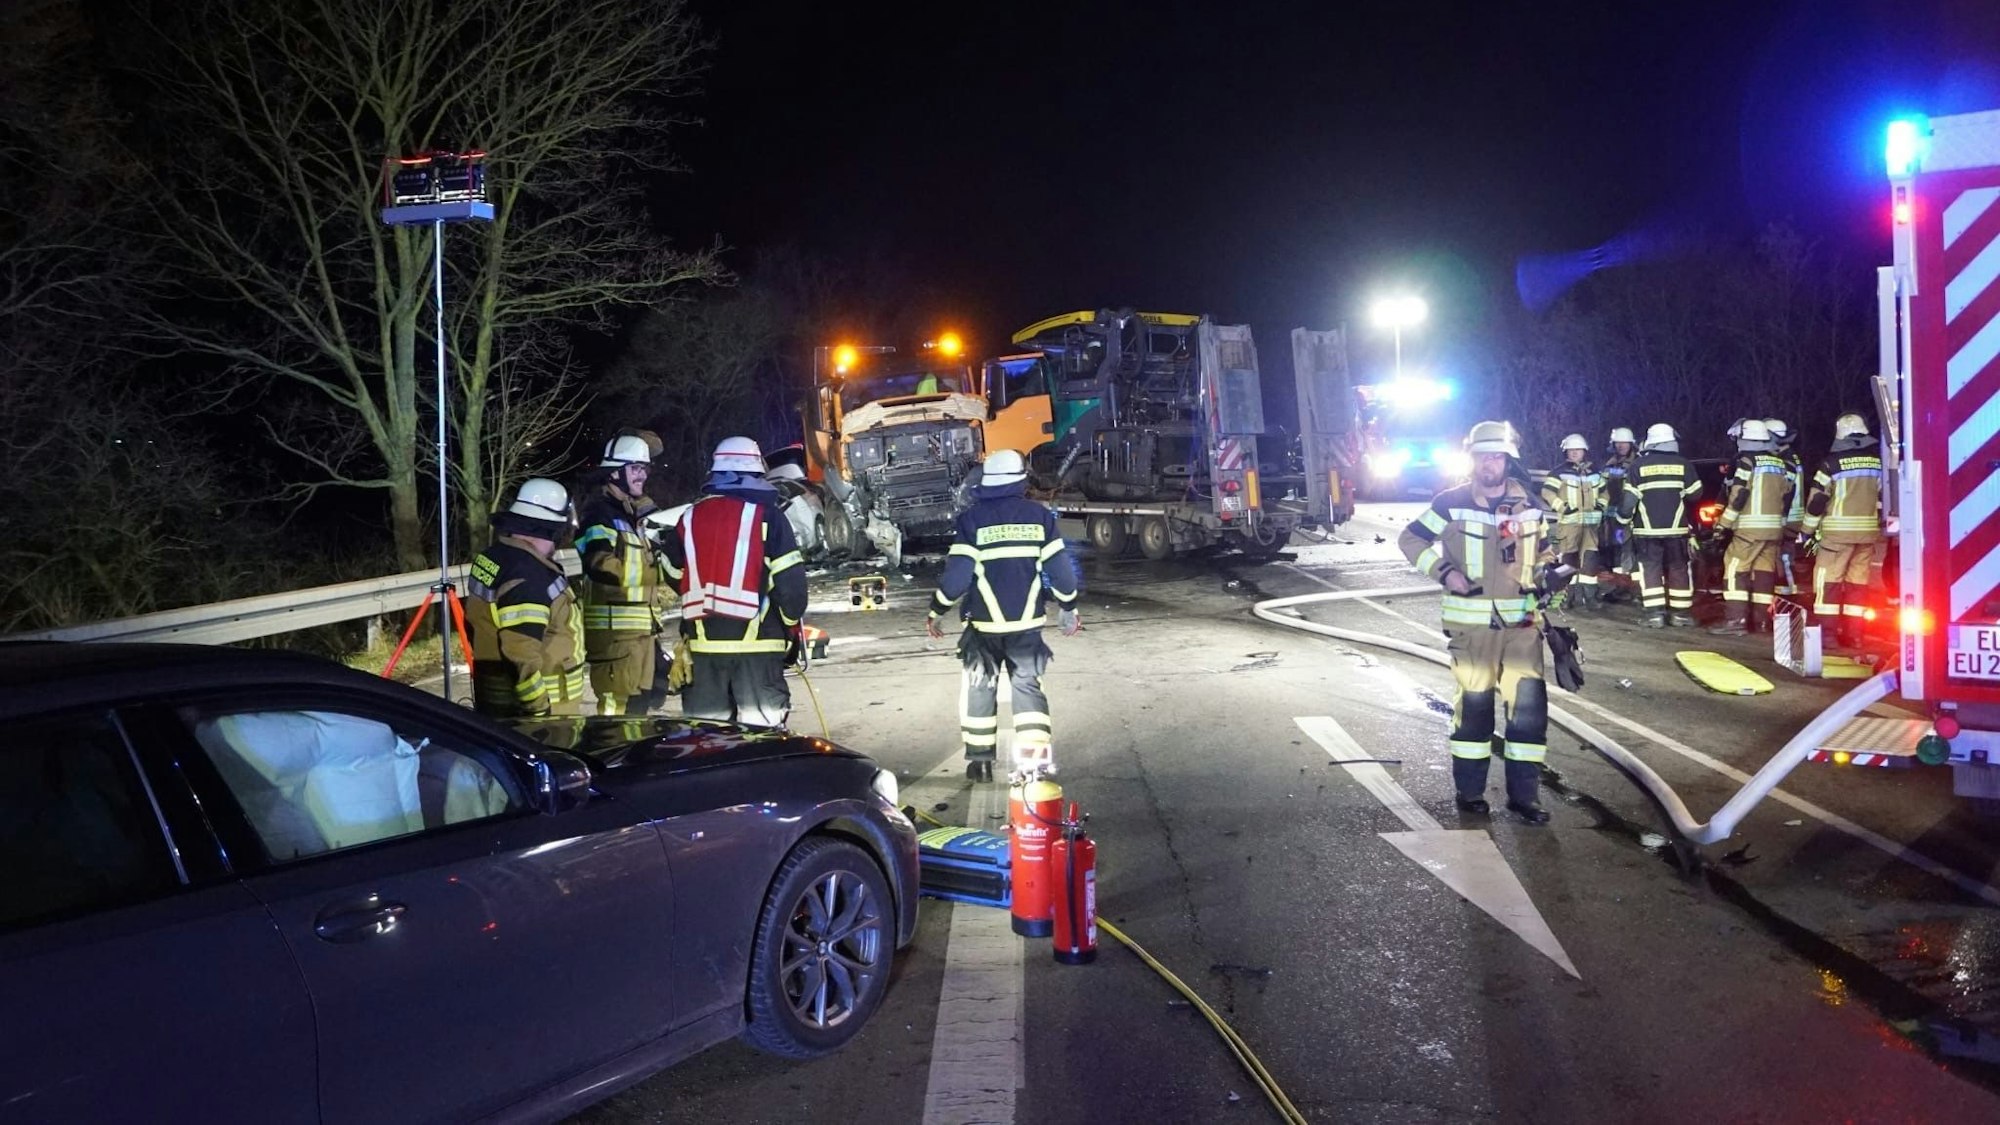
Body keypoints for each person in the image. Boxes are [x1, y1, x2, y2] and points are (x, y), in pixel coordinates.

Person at [1398, 420, 1553, 824]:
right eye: (1484, 456)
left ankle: (1525, 799)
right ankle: (1470, 794)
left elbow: (1547, 552)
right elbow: (1410, 540)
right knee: (1475, 712)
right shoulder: (1449, 504)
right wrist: (1446, 572)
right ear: (1472, 459)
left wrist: (1552, 576)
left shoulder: (1530, 505)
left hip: (1523, 629)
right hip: (1473, 633)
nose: (1491, 464)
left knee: (1528, 715)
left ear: (1507, 460)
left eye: (1498, 456)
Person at [926, 448, 1081, 783]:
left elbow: (956, 579)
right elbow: (1063, 575)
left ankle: (980, 763)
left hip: (982, 627)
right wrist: (1069, 608)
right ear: (1020, 481)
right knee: (1028, 689)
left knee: (980, 687)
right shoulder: (1039, 517)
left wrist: (936, 611)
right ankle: (1034, 764)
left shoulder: (972, 520)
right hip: (1027, 629)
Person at [660, 437, 809, 727]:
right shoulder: (769, 517)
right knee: (762, 740)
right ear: (755, 474)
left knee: (707, 741)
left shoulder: (689, 518)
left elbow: (673, 573)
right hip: (759, 649)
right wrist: (789, 626)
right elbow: (791, 589)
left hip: (703, 652)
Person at [464, 479, 586, 718]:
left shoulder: (493, 557)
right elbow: (520, 653)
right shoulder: (530, 576)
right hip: (541, 712)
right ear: (551, 529)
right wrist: (538, 710)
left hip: (493, 694)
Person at [575, 434, 665, 715]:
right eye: (635, 469)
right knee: (617, 715)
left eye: (645, 469)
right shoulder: (599, 513)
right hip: (616, 640)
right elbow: (599, 563)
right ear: (614, 472)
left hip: (640, 636)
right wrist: (654, 573)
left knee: (639, 710)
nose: (642, 476)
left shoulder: (631, 515)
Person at [1802, 413, 1886, 649]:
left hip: (1837, 536)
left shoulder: (1831, 463)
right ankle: (1855, 635)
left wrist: (1807, 531)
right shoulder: (1876, 462)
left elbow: (1817, 501)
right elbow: (1883, 497)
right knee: (1857, 584)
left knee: (1828, 582)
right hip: (1867, 535)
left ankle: (1827, 635)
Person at [1710, 419, 1793, 635]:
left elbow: (1739, 495)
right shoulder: (1779, 463)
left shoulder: (1747, 461)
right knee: (1764, 573)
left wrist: (1724, 524)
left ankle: (1735, 621)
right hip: (1773, 528)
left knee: (1736, 568)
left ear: (1745, 438)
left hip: (1749, 528)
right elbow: (1787, 494)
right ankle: (1762, 622)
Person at [1629, 423, 1702, 628]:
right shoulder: (1684, 464)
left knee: (1650, 569)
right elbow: (1696, 494)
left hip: (1646, 530)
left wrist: (1622, 521)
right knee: (1678, 568)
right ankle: (1680, 615)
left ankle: (1654, 615)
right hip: (1677, 529)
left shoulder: (1638, 465)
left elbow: (1628, 501)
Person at [1540, 433, 1606, 608]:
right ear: (1566, 452)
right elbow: (1547, 492)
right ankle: (1564, 598)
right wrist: (1562, 507)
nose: (1575, 453)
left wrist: (1600, 505)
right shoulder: (1559, 472)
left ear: (1584, 451)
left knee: (1590, 560)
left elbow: (1605, 493)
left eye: (1578, 450)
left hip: (1591, 525)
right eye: (1571, 450)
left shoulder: (1595, 473)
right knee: (1568, 561)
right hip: (1569, 524)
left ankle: (1589, 598)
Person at [1765, 417, 1806, 598]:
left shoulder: (1784, 460)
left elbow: (1787, 491)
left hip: (1788, 517)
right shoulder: (1791, 456)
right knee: (1782, 556)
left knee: (1784, 556)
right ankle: (1784, 593)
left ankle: (1788, 596)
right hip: (1792, 516)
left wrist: (1781, 516)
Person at [1600, 426, 1640, 595]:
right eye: (1618, 443)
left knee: (1632, 551)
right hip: (1613, 515)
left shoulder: (1638, 462)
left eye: (1624, 442)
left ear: (1631, 444)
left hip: (1632, 514)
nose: (1621, 446)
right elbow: (1602, 488)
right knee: (1617, 550)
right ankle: (1620, 585)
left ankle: (1637, 589)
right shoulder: (1609, 464)